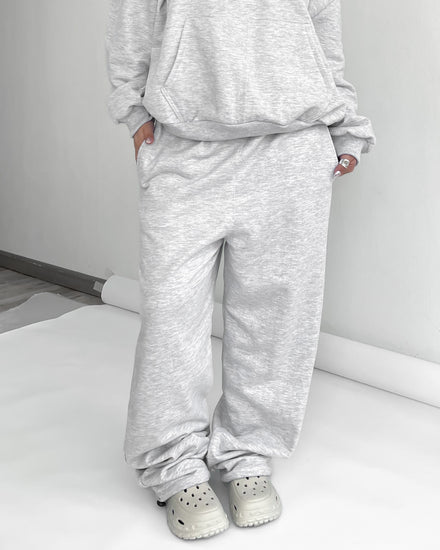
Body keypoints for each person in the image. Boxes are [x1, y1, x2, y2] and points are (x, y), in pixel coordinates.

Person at [105, 0, 376, 540]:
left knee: (276, 319)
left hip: (292, 147)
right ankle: (172, 463)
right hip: (186, 147)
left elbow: (321, 30)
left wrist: (344, 122)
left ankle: (248, 451)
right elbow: (131, 18)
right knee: (170, 317)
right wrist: (133, 111)